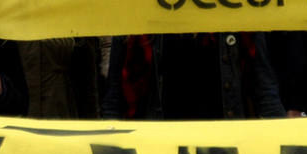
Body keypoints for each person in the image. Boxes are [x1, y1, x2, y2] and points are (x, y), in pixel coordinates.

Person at [102, 32, 285, 120]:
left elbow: (264, 89)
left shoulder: (235, 5)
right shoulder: (138, 9)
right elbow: (114, 98)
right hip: (161, 152)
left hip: (224, 151)